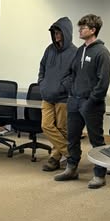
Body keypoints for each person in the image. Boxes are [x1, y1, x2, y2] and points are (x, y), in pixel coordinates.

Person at [54, 14, 110, 188]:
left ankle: (99, 175)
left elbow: (103, 82)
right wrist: (70, 90)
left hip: (91, 104)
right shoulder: (80, 50)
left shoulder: (102, 52)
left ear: (93, 30)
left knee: (96, 141)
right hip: (74, 101)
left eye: (83, 28)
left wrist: (91, 100)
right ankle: (71, 168)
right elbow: (71, 73)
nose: (79, 30)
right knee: (72, 138)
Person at [38, 17, 77, 171]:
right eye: (54, 33)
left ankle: (54, 158)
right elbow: (42, 67)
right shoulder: (49, 49)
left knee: (62, 128)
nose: (56, 35)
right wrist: (42, 82)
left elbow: (75, 75)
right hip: (47, 95)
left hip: (63, 97)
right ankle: (70, 153)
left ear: (66, 33)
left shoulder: (75, 52)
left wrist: (63, 86)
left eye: (58, 32)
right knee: (46, 125)